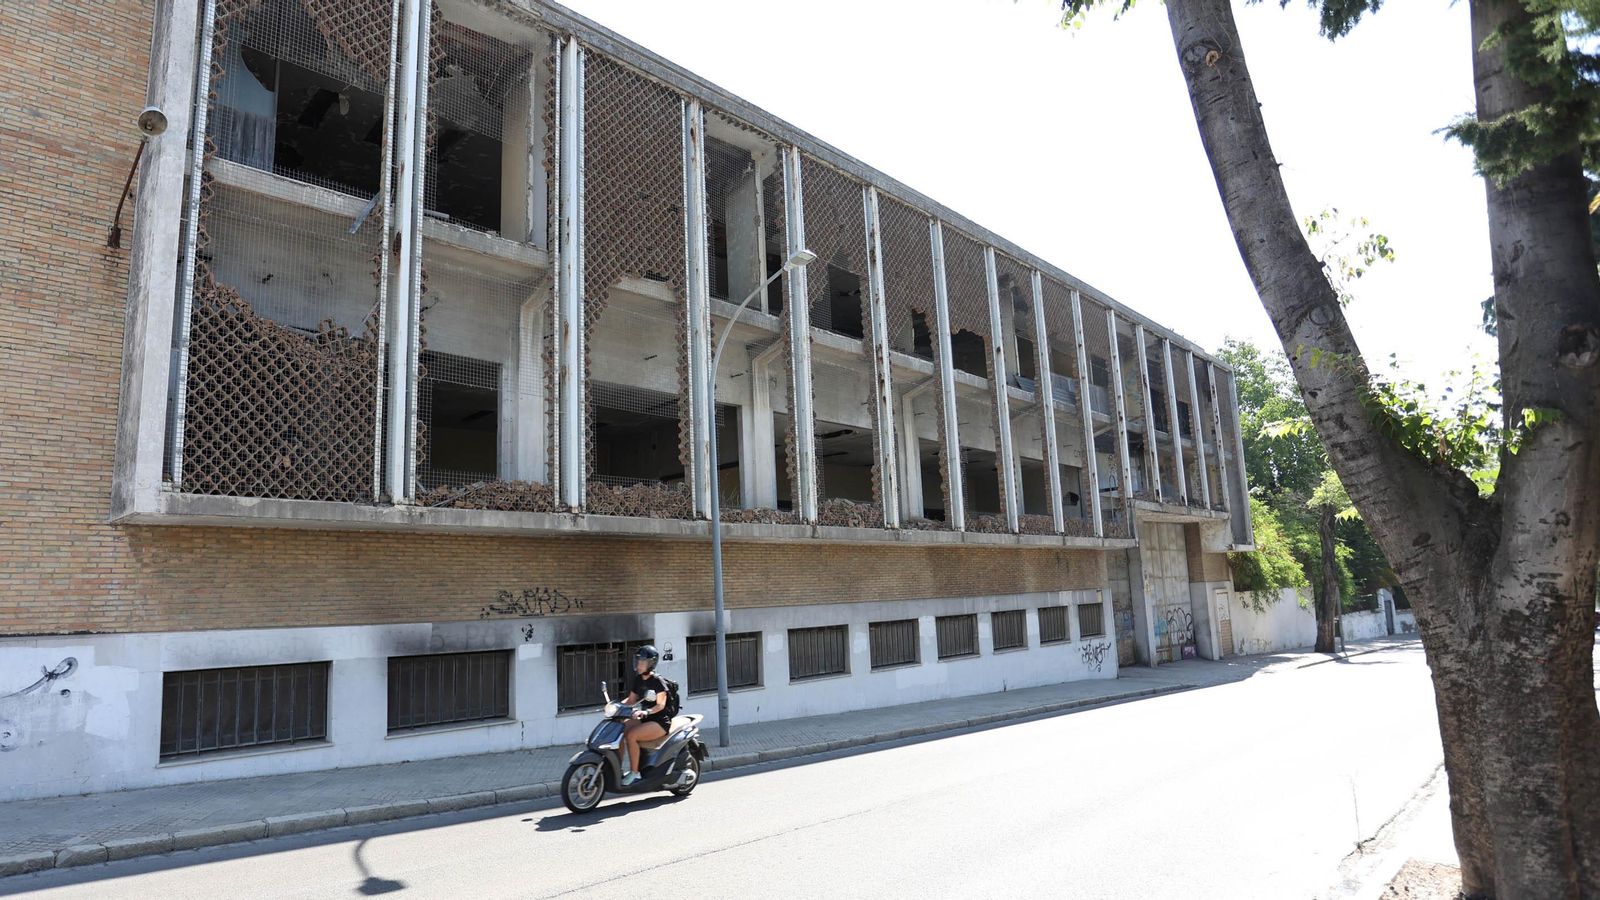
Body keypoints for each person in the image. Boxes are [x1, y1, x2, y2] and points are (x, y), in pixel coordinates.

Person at [619, 645, 672, 786]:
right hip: (644, 719)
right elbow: (631, 700)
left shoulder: (657, 681)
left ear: (651, 663)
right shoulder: (638, 679)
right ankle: (617, 769)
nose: (639, 664)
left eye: (642, 662)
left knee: (631, 736)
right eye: (638, 661)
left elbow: (660, 705)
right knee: (619, 729)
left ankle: (634, 773)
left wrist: (646, 711)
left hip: (659, 721)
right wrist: (616, 706)